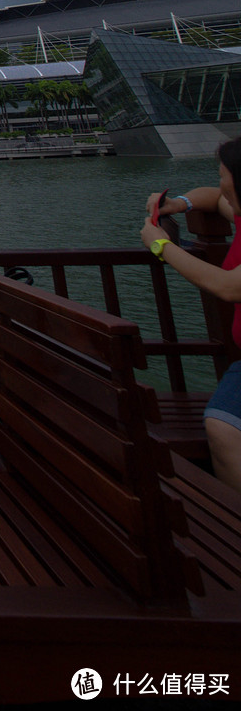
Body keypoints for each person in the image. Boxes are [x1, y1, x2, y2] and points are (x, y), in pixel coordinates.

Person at [139, 136, 241, 495]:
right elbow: (212, 197)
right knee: (222, 426)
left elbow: (230, 287)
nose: (221, 181)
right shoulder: (239, 211)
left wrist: (159, 244)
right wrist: (176, 205)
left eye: (224, 174)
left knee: (225, 428)